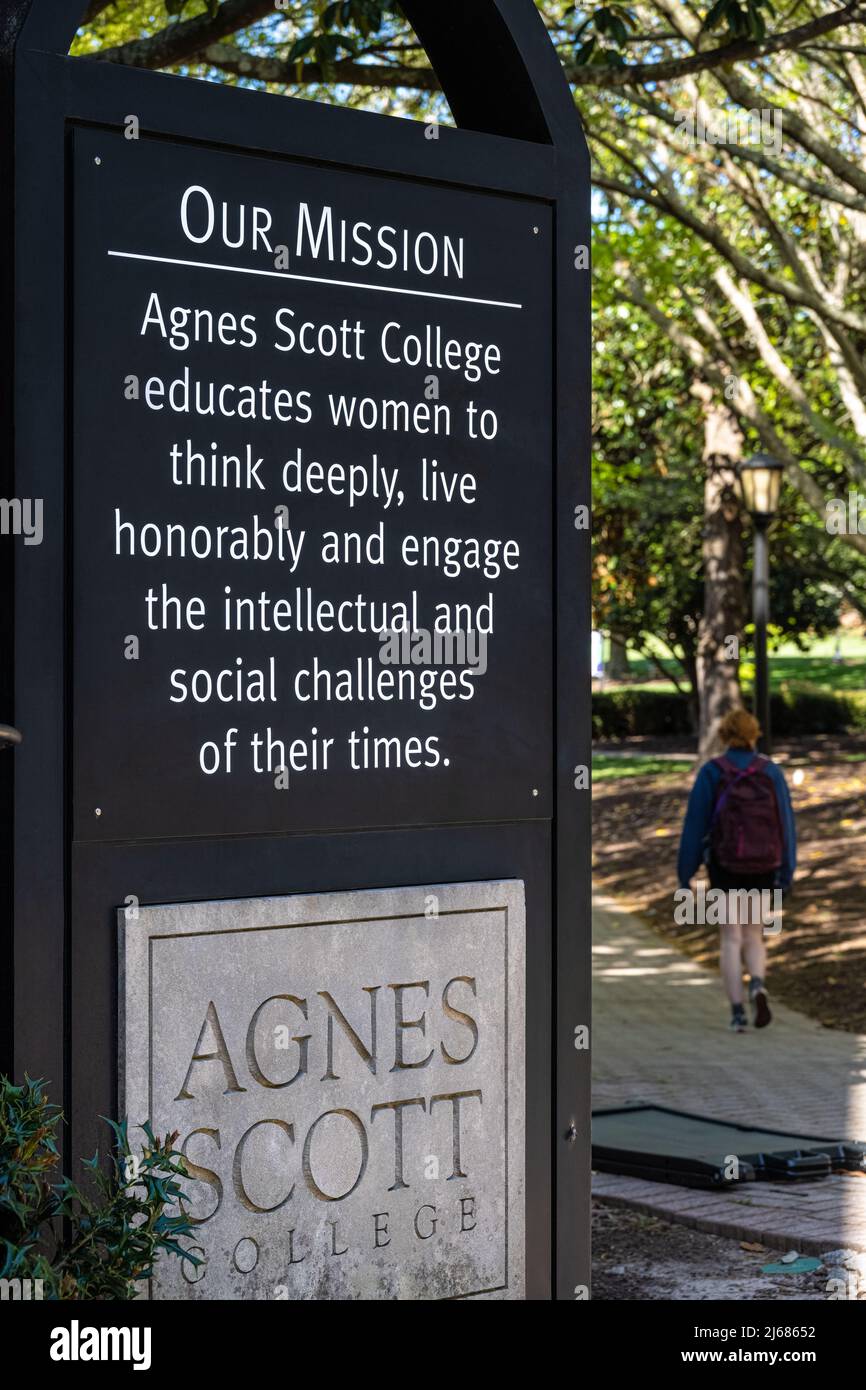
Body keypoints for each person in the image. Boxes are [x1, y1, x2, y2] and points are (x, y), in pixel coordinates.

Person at [677, 707, 796, 1033]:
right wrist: (787, 872)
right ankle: (757, 984)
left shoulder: (712, 772)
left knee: (731, 938)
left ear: (724, 736)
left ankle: (737, 1014)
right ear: (753, 734)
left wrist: (685, 874)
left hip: (725, 866)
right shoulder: (771, 772)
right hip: (763, 866)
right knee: (755, 935)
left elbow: (694, 826)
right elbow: (786, 825)